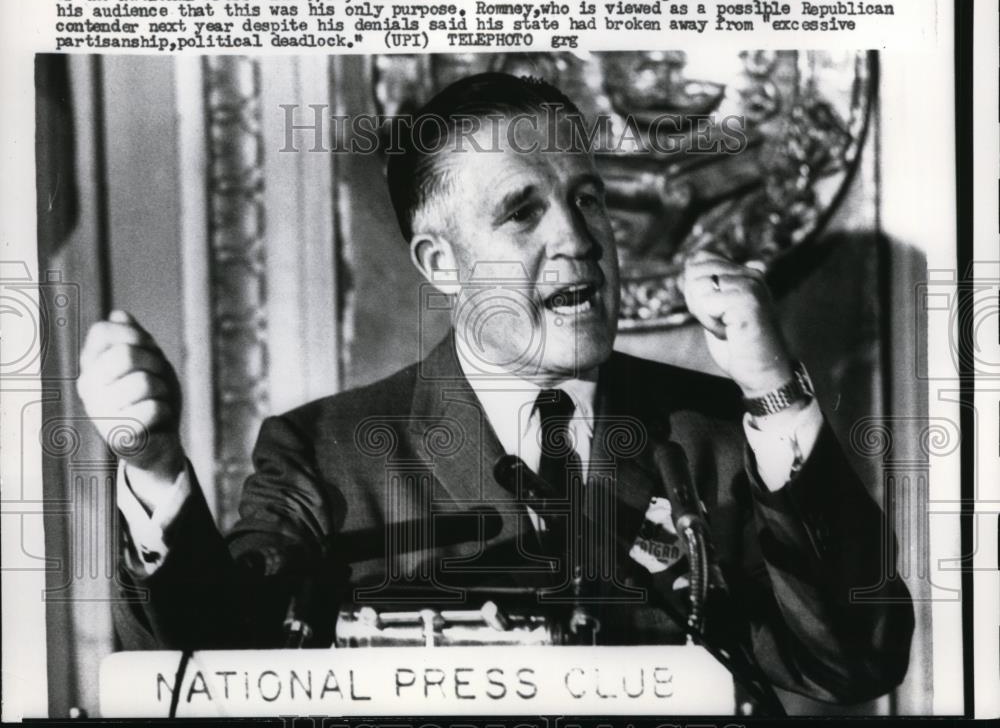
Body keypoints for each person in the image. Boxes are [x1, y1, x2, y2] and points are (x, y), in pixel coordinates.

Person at [77, 72, 913, 705]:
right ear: (442, 263)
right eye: (524, 212)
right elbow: (205, 667)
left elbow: (856, 658)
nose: (578, 239)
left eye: (587, 198)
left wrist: (771, 388)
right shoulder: (325, 454)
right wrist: (151, 469)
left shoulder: (725, 434)